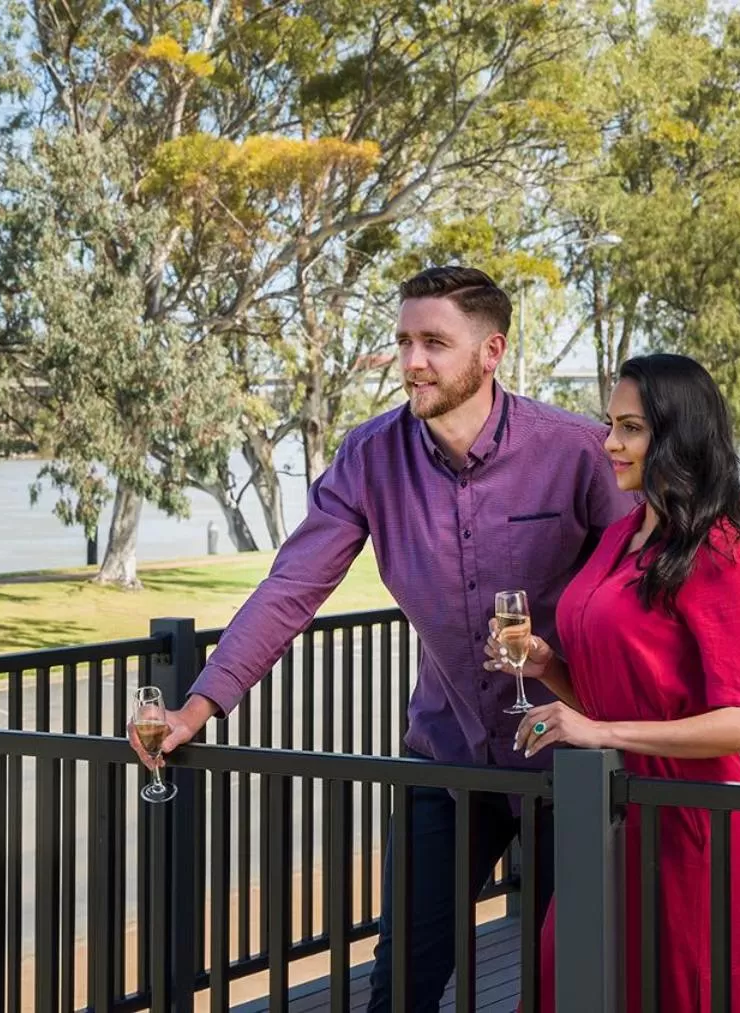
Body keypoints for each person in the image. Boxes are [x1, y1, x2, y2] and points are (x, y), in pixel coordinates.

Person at [128, 265, 634, 1012]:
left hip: (575, 762)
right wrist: (197, 708)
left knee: (574, 981)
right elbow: (291, 587)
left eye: (434, 342)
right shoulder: (370, 456)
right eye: (404, 341)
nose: (412, 361)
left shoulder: (577, 450)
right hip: (445, 754)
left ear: (491, 352)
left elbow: (644, 585)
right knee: (399, 984)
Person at [486, 353, 740, 1012]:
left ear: (676, 438)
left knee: (678, 995)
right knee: (571, 980)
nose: (609, 442)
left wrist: (597, 731)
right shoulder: (622, 533)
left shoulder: (721, 551)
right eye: (610, 424)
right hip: (612, 810)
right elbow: (620, 694)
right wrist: (547, 665)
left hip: (692, 821)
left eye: (631, 428)